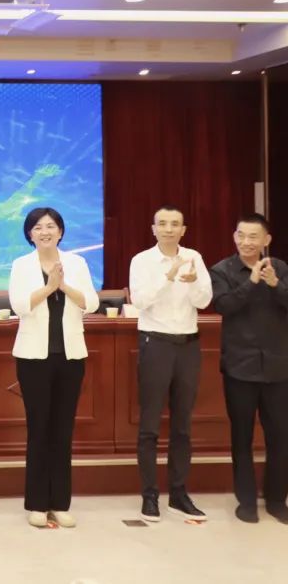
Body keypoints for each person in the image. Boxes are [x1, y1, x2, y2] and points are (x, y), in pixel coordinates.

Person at [8, 207, 98, 528]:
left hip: (70, 357)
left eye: (50, 226)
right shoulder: (21, 265)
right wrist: (48, 288)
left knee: (62, 430)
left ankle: (60, 503)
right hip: (33, 358)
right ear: (29, 234)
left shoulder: (76, 263)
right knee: (38, 429)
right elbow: (19, 305)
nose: (44, 231)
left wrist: (63, 286)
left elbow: (91, 303)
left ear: (60, 231)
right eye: (37, 227)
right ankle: (36, 503)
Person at [128, 205, 212, 522]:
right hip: (156, 343)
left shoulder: (194, 257)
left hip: (188, 345)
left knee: (182, 426)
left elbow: (204, 301)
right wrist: (169, 276)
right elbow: (140, 301)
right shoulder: (142, 260)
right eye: (162, 223)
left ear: (183, 230)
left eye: (174, 224)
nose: (168, 229)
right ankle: (149, 496)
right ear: (153, 229)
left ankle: (178, 494)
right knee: (149, 425)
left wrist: (191, 281)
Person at [210, 213, 288, 524]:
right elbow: (223, 306)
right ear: (234, 237)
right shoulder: (222, 270)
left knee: (280, 437)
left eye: (253, 236)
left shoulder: (280, 268)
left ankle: (276, 500)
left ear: (266, 240)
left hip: (278, 368)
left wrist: (275, 285)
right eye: (241, 235)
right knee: (241, 437)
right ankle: (246, 502)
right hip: (239, 368)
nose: (246, 242)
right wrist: (252, 282)